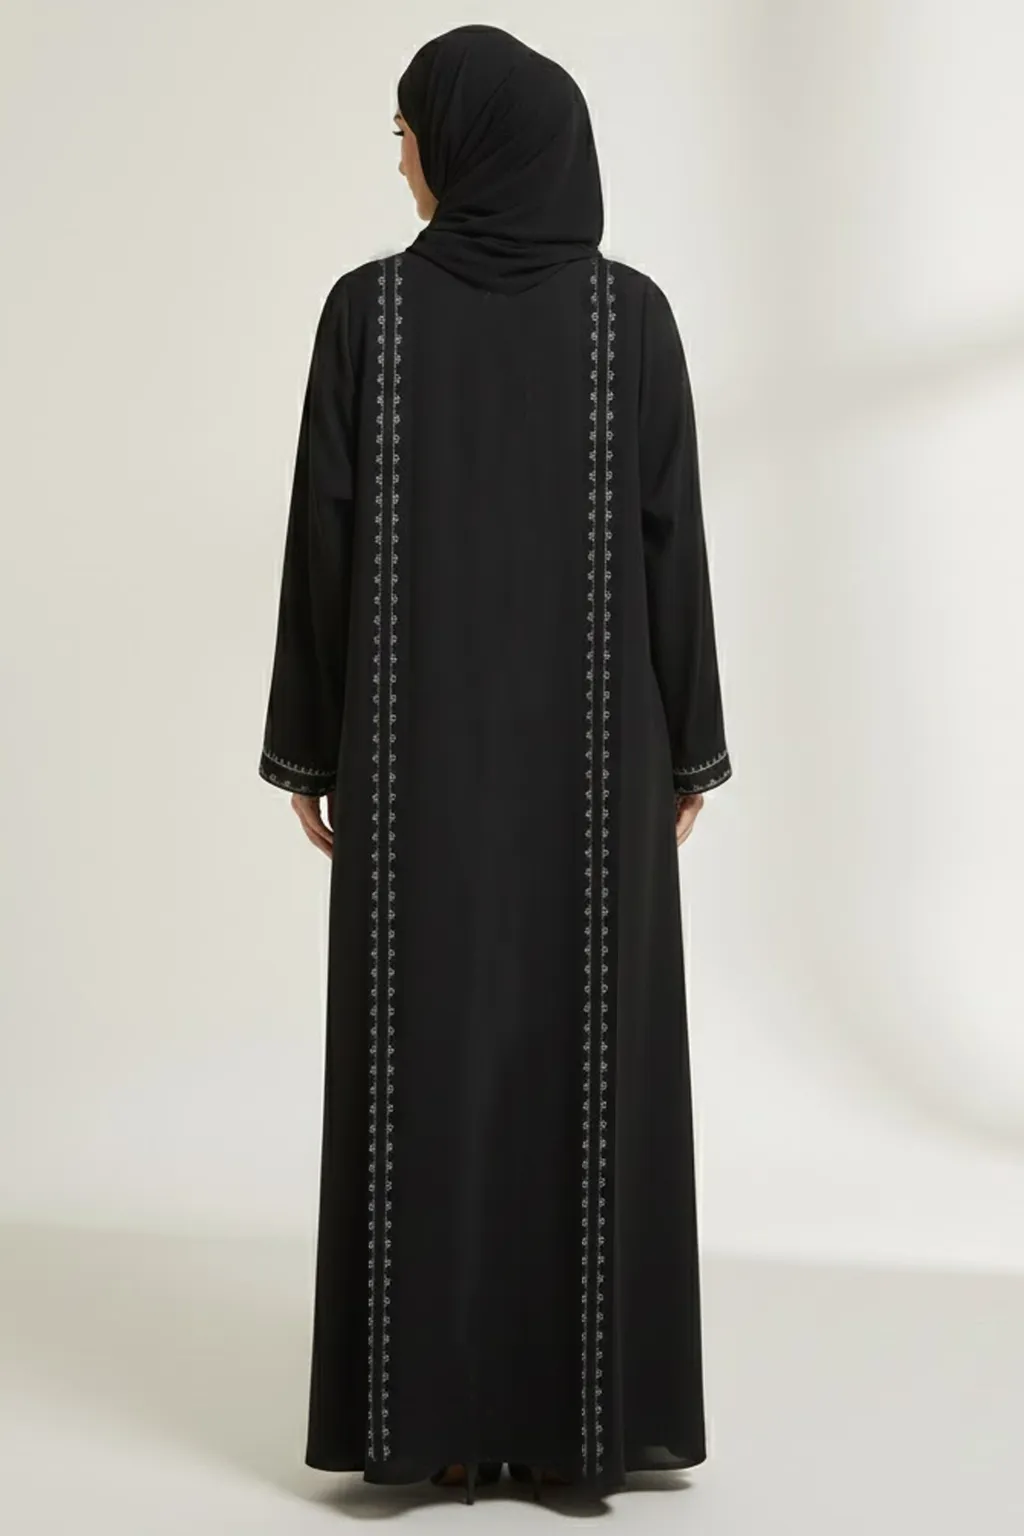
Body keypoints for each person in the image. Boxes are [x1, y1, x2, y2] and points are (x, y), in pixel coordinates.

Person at [257, 22, 733, 1505]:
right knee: (580, 1061)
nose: (401, 158)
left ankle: (431, 1423)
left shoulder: (372, 317)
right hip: (600, 771)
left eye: (408, 131)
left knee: (427, 1060)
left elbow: (323, 546)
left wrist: (313, 748)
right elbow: (673, 551)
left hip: (415, 768)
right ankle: (575, 1423)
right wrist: (689, 751)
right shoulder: (628, 321)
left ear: (468, 143)